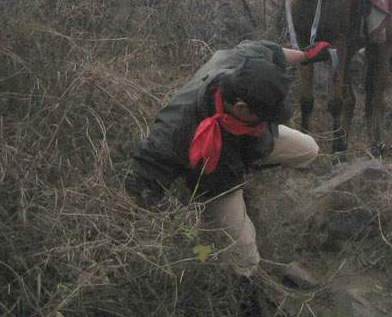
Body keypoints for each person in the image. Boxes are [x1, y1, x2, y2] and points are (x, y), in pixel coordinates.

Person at [125, 39, 335, 279]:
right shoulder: (177, 130)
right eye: (266, 115)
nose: (273, 118)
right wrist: (150, 227)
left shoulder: (240, 63)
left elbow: (270, 51)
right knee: (245, 258)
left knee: (308, 150)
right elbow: (141, 181)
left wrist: (307, 55)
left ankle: (249, 164)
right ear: (242, 107)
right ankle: (243, 287)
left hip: (252, 141)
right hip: (217, 178)